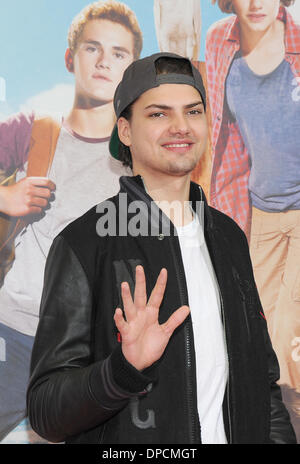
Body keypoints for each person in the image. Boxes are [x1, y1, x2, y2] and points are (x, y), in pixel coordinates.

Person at [27, 52, 296, 444]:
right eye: (158, 114)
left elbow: (263, 385)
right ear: (124, 131)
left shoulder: (230, 237)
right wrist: (123, 369)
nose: (180, 127)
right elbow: (45, 411)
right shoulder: (84, 243)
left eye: (193, 111)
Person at [0, 0, 142, 441]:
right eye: (92, 48)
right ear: (70, 58)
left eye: (119, 54)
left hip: (91, 351)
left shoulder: (141, 161)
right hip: (14, 329)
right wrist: (4, 196)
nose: (104, 62)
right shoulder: (32, 130)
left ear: (132, 71)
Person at [206, 0, 300, 431]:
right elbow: (227, 143)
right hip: (259, 212)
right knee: (253, 340)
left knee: (285, 339)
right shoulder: (219, 43)